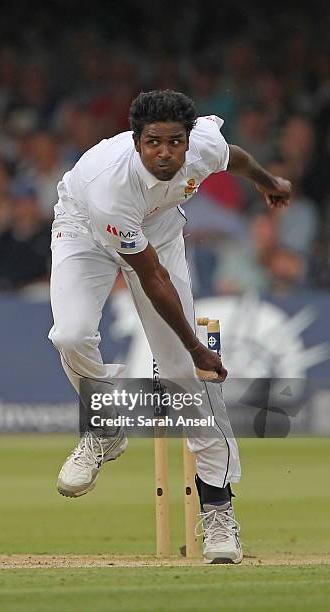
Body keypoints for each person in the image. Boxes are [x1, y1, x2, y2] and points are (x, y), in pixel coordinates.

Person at [49, 90, 291, 564]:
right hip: (83, 227)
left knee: (182, 376)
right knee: (71, 334)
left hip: (158, 228)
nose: (165, 153)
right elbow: (151, 276)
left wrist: (267, 181)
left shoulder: (200, 145)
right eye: (153, 143)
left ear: (187, 140)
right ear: (136, 142)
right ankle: (105, 424)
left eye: (174, 143)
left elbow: (234, 158)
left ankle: (219, 511)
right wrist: (196, 346)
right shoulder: (109, 185)